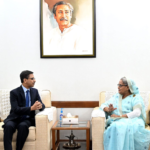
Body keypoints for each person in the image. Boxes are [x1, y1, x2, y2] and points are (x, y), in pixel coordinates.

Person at [99, 77, 150, 150]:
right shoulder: (116, 97)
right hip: (117, 120)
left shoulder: (135, 97)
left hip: (134, 120)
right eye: (118, 85)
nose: (118, 87)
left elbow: (137, 112)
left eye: (120, 85)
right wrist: (108, 109)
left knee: (123, 126)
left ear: (127, 87)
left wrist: (120, 116)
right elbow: (103, 105)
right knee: (114, 126)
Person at [3, 70, 45, 150]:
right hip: (14, 118)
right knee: (8, 126)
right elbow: (15, 109)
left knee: (23, 126)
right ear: (25, 80)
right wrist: (31, 108)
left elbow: (42, 105)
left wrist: (40, 106)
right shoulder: (14, 92)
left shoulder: (35, 91)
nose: (34, 80)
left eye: (34, 78)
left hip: (27, 119)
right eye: (32, 78)